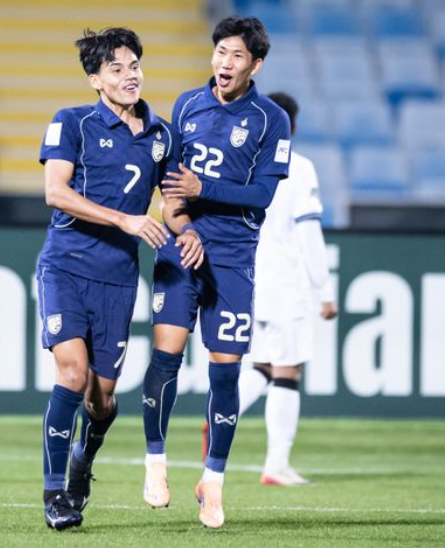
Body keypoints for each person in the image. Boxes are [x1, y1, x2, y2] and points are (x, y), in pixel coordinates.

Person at [36, 27, 203, 531]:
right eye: (116, 69)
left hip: (118, 279)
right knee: (72, 373)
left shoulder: (163, 135)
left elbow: (171, 204)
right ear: (95, 80)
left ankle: (83, 458)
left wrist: (187, 229)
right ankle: (55, 494)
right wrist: (124, 220)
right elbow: (55, 192)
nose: (130, 76)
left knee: (102, 399)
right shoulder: (72, 123)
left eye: (134, 66)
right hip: (66, 266)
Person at [141, 16, 291, 529]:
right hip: (181, 248)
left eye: (236, 56)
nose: (224, 63)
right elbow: (170, 192)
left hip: (232, 258)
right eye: (220, 52)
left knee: (225, 372)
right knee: (166, 356)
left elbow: (263, 194)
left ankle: (213, 481)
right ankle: (155, 464)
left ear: (256, 65)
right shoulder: (186, 105)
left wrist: (204, 189)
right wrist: (185, 229)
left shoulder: (271, 120)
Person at [235, 91, 338, 486]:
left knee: (263, 363)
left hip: (247, 281)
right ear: (291, 127)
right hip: (284, 284)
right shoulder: (299, 167)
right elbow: (308, 231)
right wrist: (324, 289)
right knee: (287, 370)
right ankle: (276, 465)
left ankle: (222, 413)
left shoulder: (242, 164)